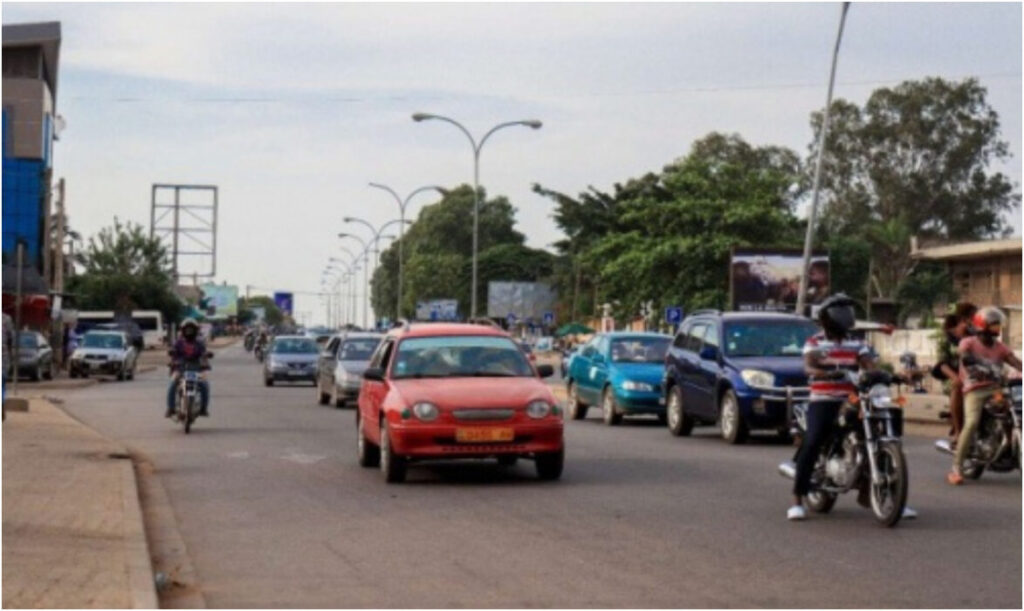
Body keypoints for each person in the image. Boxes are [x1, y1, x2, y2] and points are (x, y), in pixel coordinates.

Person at [787, 293, 916, 521]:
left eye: (847, 312)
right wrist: (825, 372)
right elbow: (808, 367)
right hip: (824, 399)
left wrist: (890, 375)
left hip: (853, 398)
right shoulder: (815, 342)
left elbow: (869, 365)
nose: (846, 317)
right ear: (827, 318)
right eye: (840, 312)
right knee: (814, 439)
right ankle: (798, 498)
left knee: (881, 432)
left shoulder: (858, 343)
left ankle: (894, 498)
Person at [947, 307, 1022, 485]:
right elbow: (964, 357)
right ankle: (956, 468)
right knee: (972, 421)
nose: (998, 329)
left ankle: (1006, 445)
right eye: (994, 325)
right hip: (975, 389)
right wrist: (976, 363)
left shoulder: (1000, 347)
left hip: (997, 389)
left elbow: (1015, 361)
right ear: (983, 325)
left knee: (1014, 413)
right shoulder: (969, 342)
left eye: (998, 325)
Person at [933, 306, 974, 445]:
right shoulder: (947, 337)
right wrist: (955, 378)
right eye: (972, 317)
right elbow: (942, 363)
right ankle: (958, 432)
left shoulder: (977, 335)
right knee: (957, 387)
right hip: (953, 375)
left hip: (976, 374)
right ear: (962, 319)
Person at [166, 318, 211, 418]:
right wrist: (172, 355)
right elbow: (173, 352)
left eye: (191, 329)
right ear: (183, 330)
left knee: (204, 385)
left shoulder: (199, 343)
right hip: (181, 368)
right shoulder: (178, 343)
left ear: (196, 331)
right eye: (187, 329)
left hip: (196, 368)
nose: (189, 332)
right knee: (172, 384)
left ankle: (203, 408)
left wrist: (207, 356)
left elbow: (204, 354)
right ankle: (170, 408)